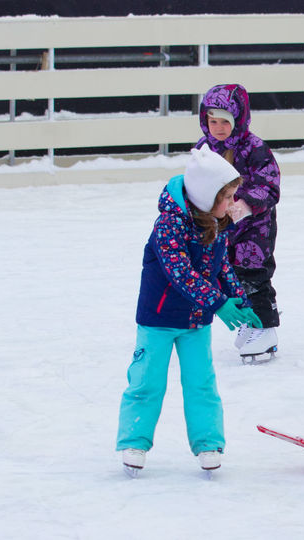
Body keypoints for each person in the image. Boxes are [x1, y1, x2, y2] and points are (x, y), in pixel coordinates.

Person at [116, 145, 262, 476]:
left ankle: (209, 443)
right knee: (147, 382)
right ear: (206, 195)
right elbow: (180, 273)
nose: (231, 204)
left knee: (202, 384)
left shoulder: (216, 222)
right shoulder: (169, 225)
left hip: (195, 322)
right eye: (226, 197)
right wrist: (218, 303)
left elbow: (221, 268)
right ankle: (134, 441)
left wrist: (238, 299)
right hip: (158, 319)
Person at [196, 83, 281, 360]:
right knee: (228, 275)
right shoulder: (205, 148)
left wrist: (242, 204)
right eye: (213, 121)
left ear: (239, 119)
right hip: (220, 226)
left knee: (254, 275)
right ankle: (250, 320)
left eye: (225, 121)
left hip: (255, 227)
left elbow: (270, 186)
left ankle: (266, 328)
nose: (219, 127)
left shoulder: (254, 148)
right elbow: (195, 181)